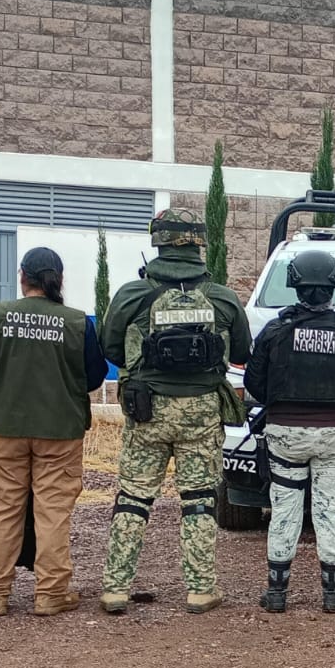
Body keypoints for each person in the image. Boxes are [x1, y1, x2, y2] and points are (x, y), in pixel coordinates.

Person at [98, 209, 251, 615]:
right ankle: (201, 590)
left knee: (133, 498)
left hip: (146, 409)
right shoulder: (222, 297)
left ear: (158, 241)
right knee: (199, 501)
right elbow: (241, 351)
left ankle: (115, 590)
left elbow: (110, 348)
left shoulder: (133, 294)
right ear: (200, 242)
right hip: (202, 412)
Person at [0, 247, 108, 617]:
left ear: (22, 277)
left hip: (4, 427)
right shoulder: (78, 322)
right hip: (59, 429)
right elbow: (94, 376)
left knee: (1, 509)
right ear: (58, 280)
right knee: (53, 512)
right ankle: (50, 594)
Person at [244, 250, 335, 614]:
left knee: (284, 509)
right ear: (334, 284)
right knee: (331, 510)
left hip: (285, 433)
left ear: (295, 285)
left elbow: (254, 383)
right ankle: (333, 594)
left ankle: (277, 593)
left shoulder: (275, 329)